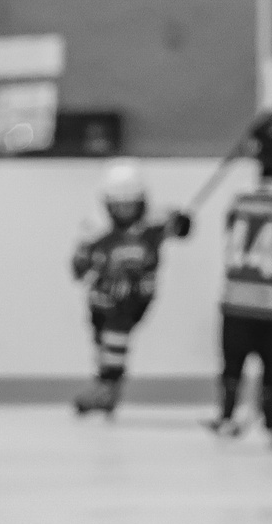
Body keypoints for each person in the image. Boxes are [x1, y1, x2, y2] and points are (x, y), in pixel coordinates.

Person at [69, 161, 192, 418]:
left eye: (131, 205)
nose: (125, 211)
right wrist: (99, 267)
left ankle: (108, 387)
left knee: (116, 334)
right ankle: (104, 384)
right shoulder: (95, 229)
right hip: (101, 297)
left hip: (136, 297)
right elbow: (78, 268)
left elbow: (182, 230)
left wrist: (182, 221)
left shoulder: (154, 223)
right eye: (119, 206)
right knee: (102, 339)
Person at [212, 114, 272, 440]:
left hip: (236, 299)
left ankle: (226, 413)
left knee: (232, 364)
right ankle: (268, 415)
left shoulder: (242, 196)